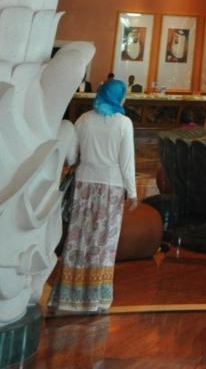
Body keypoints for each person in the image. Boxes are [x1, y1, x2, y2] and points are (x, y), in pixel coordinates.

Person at [48, 78, 137, 315]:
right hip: (111, 187)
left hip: (84, 185)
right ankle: (95, 300)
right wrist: (133, 192)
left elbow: (71, 156)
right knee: (103, 243)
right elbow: (126, 161)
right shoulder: (124, 123)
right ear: (119, 97)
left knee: (78, 239)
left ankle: (68, 297)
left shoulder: (84, 119)